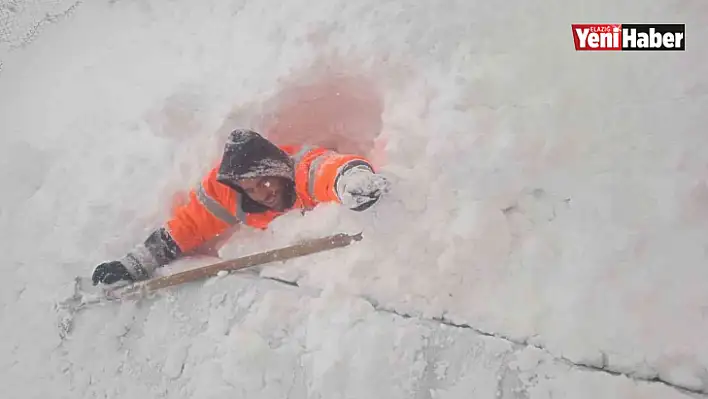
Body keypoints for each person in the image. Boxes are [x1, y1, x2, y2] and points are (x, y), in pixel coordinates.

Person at [91, 129, 390, 285]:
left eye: (266, 181)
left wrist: (352, 181)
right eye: (251, 189)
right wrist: (136, 264)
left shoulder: (302, 170)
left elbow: (330, 170)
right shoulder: (228, 195)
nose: (263, 193)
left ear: (278, 168)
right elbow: (189, 226)